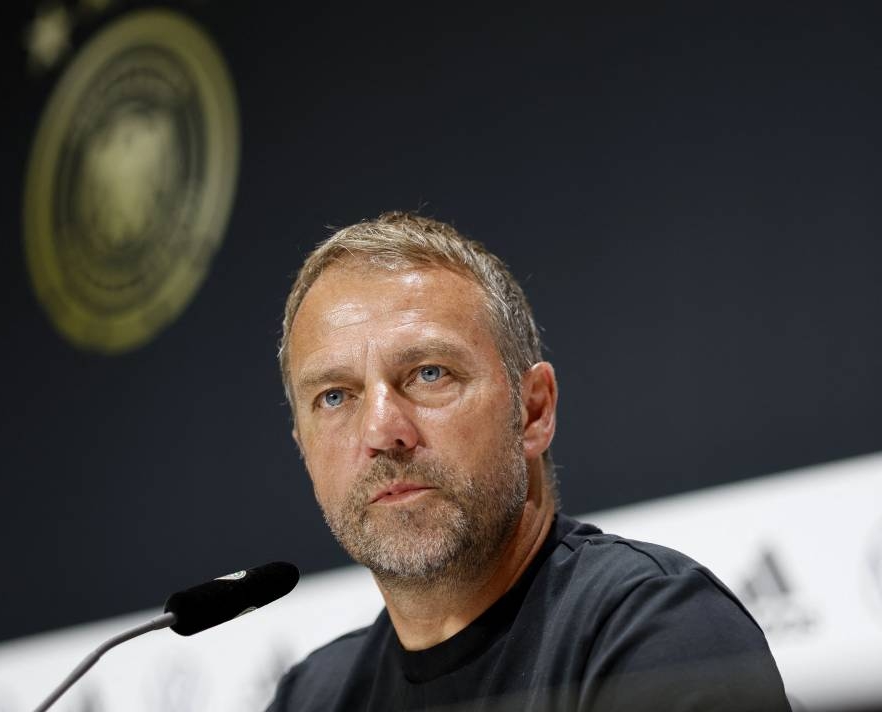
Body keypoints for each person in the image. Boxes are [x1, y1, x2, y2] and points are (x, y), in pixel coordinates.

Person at [267, 212, 791, 711]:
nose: (382, 431)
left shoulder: (659, 632)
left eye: (429, 374)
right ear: (301, 445)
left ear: (534, 410)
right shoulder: (310, 698)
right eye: (335, 397)